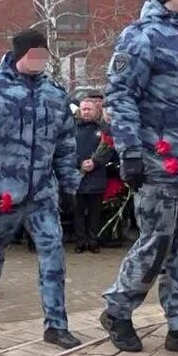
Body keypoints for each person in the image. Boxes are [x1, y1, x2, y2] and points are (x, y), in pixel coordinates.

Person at [99, 0, 178, 355]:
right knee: (157, 241)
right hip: (157, 161)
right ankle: (118, 308)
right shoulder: (141, 37)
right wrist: (130, 152)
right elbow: (121, 95)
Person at [0, 28, 83, 352]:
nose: (41, 59)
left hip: (41, 194)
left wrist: (69, 186)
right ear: (20, 54)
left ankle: (56, 325)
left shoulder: (55, 95)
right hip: (1, 195)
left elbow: (66, 145)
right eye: (35, 53)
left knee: (54, 257)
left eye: (45, 53)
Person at [73, 98, 113, 253]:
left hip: (96, 177)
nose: (87, 112)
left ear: (96, 111)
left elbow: (109, 149)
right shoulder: (72, 129)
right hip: (77, 178)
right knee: (79, 212)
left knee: (95, 213)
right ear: (80, 110)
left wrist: (95, 162)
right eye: (84, 109)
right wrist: (79, 163)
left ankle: (93, 240)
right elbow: (66, 150)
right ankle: (80, 241)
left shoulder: (104, 129)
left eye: (90, 109)